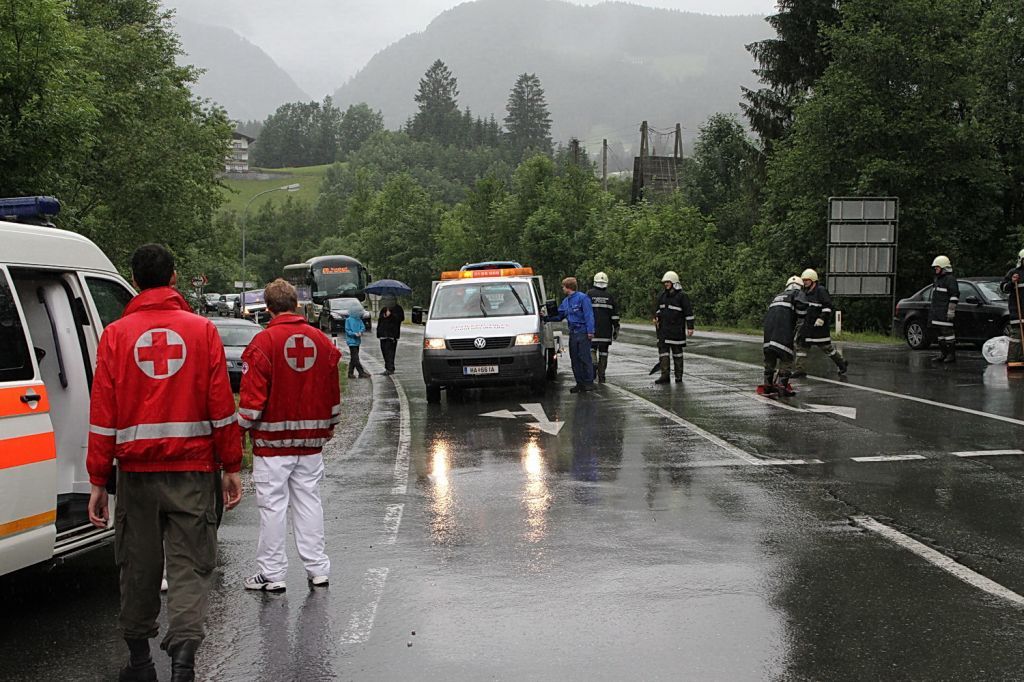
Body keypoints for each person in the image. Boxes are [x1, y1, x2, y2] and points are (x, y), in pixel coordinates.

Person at [86, 244, 243, 682]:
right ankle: (183, 662)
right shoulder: (202, 331)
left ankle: (140, 663)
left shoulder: (115, 335)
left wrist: (97, 479)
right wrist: (232, 465)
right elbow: (221, 406)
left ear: (135, 280)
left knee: (137, 566)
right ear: (173, 277)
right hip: (193, 473)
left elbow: (102, 414)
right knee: (190, 565)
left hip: (135, 476)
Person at [238, 279, 341, 593]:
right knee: (309, 502)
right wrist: (329, 426)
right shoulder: (321, 341)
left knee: (273, 508)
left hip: (272, 446)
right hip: (310, 443)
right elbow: (333, 393)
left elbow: (252, 402)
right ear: (296, 305)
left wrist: (238, 430)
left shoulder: (263, 343)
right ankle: (318, 569)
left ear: (268, 308)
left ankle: (272, 574)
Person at [792, 268, 848, 377]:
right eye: (803, 280)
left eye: (807, 280)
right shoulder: (804, 293)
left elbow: (828, 306)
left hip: (819, 327)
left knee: (827, 348)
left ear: (813, 280)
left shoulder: (821, 290)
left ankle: (842, 363)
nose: (804, 282)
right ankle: (800, 369)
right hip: (807, 326)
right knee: (801, 347)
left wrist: (821, 318)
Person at [544, 276, 596, 393]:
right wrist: (546, 317)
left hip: (582, 331)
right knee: (575, 358)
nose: (562, 289)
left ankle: (589, 382)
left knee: (584, 357)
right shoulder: (566, 301)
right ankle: (579, 382)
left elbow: (589, 315)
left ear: (568, 287)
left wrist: (590, 331)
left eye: (563, 287)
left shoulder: (583, 298)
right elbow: (559, 315)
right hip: (573, 332)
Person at [761, 276, 807, 395]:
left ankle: (767, 384)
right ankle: (782, 385)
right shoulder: (796, 293)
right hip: (783, 330)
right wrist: (801, 321)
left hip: (769, 331)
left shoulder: (778, 296)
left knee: (770, 356)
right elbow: (802, 309)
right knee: (786, 357)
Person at [653, 271, 695, 384]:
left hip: (676, 331)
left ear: (674, 282)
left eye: (668, 282)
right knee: (663, 353)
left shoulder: (682, 296)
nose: (666, 284)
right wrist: (656, 318)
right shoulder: (662, 296)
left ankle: (678, 377)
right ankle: (664, 376)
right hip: (663, 331)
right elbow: (658, 310)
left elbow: (688, 313)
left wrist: (690, 327)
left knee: (677, 354)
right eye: (665, 282)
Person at [587, 272, 621, 383]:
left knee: (591, 349)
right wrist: (616, 328)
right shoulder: (609, 296)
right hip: (606, 331)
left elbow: (584, 312)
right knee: (604, 353)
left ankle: (593, 366)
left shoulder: (589, 294)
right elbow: (614, 315)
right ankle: (601, 376)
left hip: (591, 330)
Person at [929, 255, 960, 363]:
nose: (935, 269)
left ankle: (951, 355)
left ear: (943, 268)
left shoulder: (950, 279)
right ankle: (943, 354)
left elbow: (954, 296)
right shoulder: (938, 279)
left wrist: (951, 311)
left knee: (948, 334)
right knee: (940, 334)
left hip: (945, 312)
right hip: (937, 312)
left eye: (937, 267)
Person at [1000, 248, 1024, 368]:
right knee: (1016, 337)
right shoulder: (1013, 273)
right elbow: (1003, 288)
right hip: (1017, 311)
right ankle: (1014, 360)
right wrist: (1012, 282)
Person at [377, 298, 405, 375]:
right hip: (383, 334)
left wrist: (391, 315)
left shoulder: (398, 309)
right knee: (384, 351)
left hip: (392, 335)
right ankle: (387, 368)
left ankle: (390, 368)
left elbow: (401, 318)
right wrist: (385, 315)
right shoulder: (384, 309)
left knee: (390, 352)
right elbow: (380, 320)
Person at [344, 305, 370, 378]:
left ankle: (350, 373)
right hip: (351, 342)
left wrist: (360, 332)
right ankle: (361, 372)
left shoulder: (359, 320)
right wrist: (354, 334)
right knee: (355, 358)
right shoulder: (348, 320)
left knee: (353, 358)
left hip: (357, 341)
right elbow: (347, 330)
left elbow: (363, 327)